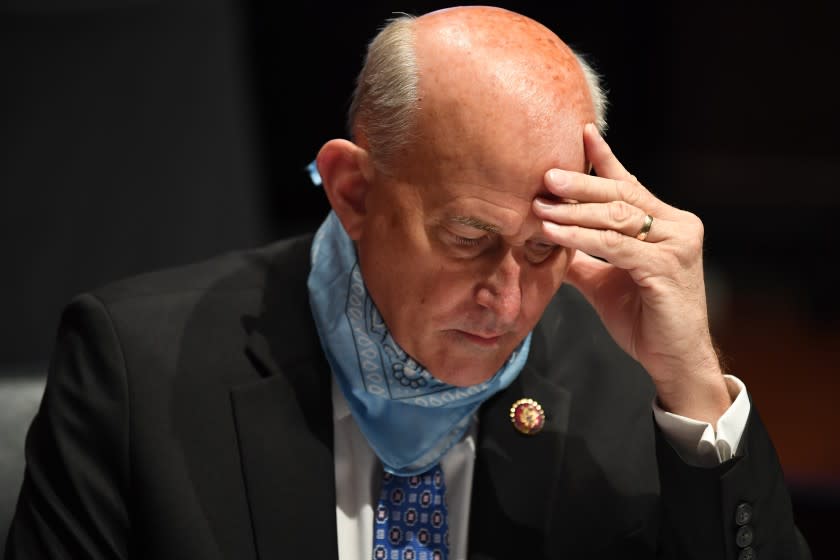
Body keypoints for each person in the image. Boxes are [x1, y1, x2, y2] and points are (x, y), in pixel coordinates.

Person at [5, 5, 810, 559]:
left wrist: (694, 384)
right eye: (468, 236)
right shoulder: (134, 367)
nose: (507, 297)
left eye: (541, 250)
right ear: (353, 190)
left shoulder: (627, 384)